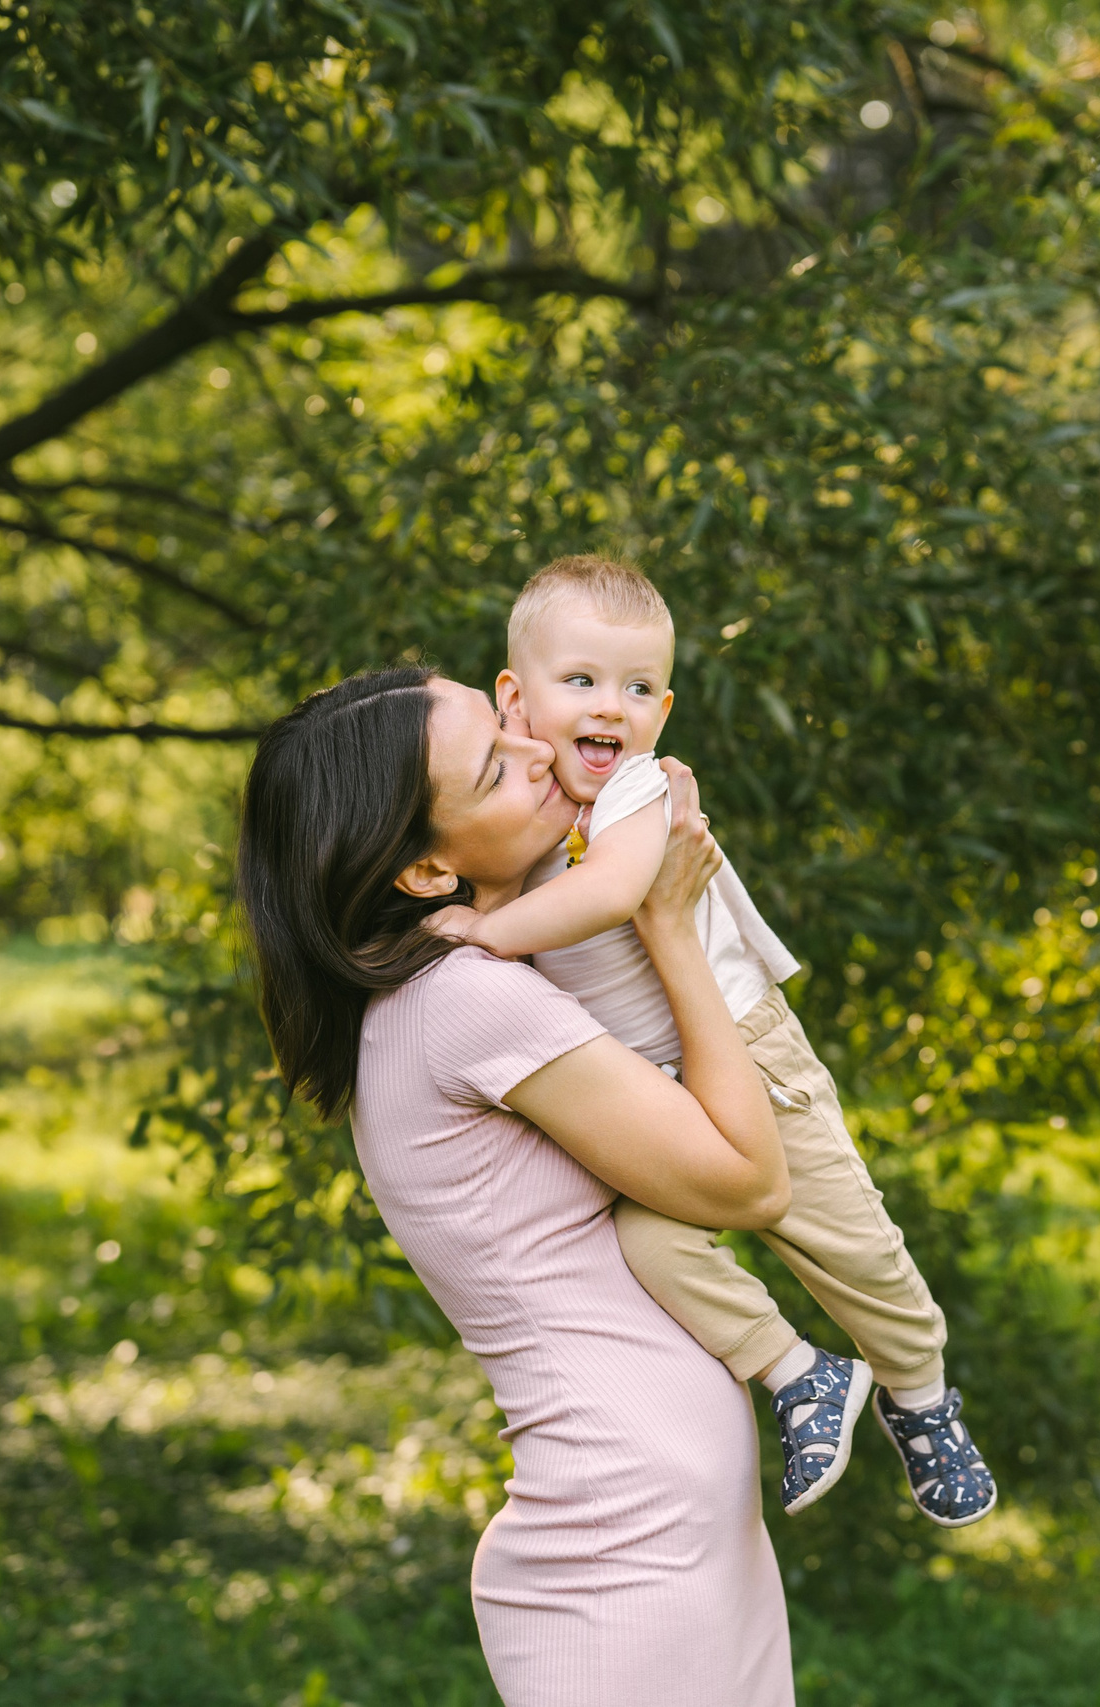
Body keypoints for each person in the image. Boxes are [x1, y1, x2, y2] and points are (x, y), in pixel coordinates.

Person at [237, 665, 796, 1705]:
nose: (542, 749)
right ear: (422, 870)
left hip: (660, 1529)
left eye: (505, 725)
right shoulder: (466, 1002)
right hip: (624, 1553)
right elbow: (749, 1182)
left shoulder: (453, 986)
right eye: (498, 766)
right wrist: (668, 920)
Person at [432, 555, 997, 1528]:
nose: (613, 706)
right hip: (656, 1089)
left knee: (847, 1241)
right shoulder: (527, 813)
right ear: (513, 696)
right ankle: (797, 1371)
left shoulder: (639, 794)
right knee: (649, 1243)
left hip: (746, 1048)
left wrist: (482, 933)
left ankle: (922, 1396)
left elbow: (613, 893)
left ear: (664, 708)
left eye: (640, 688)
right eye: (582, 682)